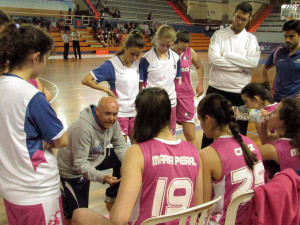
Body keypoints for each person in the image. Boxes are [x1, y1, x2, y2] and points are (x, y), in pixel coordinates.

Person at [70, 87, 203, 225]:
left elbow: (118, 219)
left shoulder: (137, 152)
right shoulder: (193, 151)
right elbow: (198, 205)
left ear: (142, 117)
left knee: (79, 214)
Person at [0, 23, 68, 225]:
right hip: (36, 189)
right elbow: (61, 139)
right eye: (46, 58)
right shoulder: (32, 96)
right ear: (36, 57)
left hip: (10, 187)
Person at [198, 93, 265, 225]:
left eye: (200, 120)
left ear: (208, 120)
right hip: (253, 219)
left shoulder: (207, 155)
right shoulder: (250, 143)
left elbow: (203, 207)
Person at [202, 1, 261, 148]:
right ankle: (205, 160)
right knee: (208, 129)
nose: (240, 22)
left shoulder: (251, 40)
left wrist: (227, 55)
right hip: (216, 89)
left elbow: (252, 63)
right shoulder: (219, 35)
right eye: (238, 17)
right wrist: (241, 67)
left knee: (240, 131)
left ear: (249, 19)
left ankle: (238, 160)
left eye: (244, 19)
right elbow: (214, 60)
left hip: (240, 94)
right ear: (233, 15)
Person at [57, 96, 127, 218]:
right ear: (97, 111)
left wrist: (128, 165)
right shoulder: (83, 128)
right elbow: (79, 164)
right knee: (79, 214)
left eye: (115, 114)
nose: (112, 118)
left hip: (95, 156)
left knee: (124, 159)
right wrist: (101, 177)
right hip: (73, 170)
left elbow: (120, 145)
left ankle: (112, 194)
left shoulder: (112, 122)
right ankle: (59, 196)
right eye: (108, 114)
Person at [82, 32, 145, 143]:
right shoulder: (111, 65)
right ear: (125, 47)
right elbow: (86, 80)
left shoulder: (137, 63)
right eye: (132, 54)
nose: (135, 58)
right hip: (119, 114)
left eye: (138, 55)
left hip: (135, 112)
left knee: (137, 146)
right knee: (121, 149)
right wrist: (106, 90)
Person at [139, 25, 180, 135]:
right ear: (157, 39)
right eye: (162, 44)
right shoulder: (146, 58)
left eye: (169, 45)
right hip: (152, 103)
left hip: (170, 102)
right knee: (151, 133)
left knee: (170, 133)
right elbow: (140, 84)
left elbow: (176, 82)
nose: (165, 47)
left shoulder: (176, 58)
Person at [172, 30, 204, 149]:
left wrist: (200, 83)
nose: (181, 51)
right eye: (179, 48)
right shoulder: (167, 53)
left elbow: (200, 67)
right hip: (170, 97)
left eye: (184, 48)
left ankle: (196, 163)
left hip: (186, 96)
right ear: (174, 43)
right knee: (169, 134)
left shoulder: (191, 52)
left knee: (190, 134)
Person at [262, 20, 300, 102]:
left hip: (295, 102)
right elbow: (264, 68)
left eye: (291, 36)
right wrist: (266, 87)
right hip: (277, 99)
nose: (287, 40)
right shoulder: (278, 51)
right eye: (285, 36)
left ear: (299, 35)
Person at [259, 98, 300, 173]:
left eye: (274, 112)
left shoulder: (273, 149)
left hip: (284, 184)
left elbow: (246, 157)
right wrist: (264, 123)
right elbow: (267, 139)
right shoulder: (295, 137)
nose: (269, 113)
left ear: (282, 122)